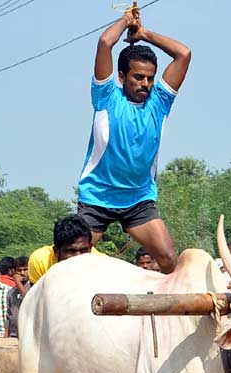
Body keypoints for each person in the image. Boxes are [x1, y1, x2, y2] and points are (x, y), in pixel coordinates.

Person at [75, 7, 191, 274]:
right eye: (138, 77)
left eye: (150, 78)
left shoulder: (159, 103)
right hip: (97, 198)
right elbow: (105, 42)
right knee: (72, 264)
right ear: (122, 77)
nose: (146, 84)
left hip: (138, 200)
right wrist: (127, 20)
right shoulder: (106, 97)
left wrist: (145, 34)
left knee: (170, 261)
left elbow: (183, 54)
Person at [28, 215, 104, 284]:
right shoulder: (40, 261)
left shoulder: (102, 264)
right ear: (56, 251)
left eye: (83, 250)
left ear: (90, 247)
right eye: (71, 251)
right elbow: (36, 297)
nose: (78, 257)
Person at [6, 256, 30, 338]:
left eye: (25, 270)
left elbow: (28, 301)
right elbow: (8, 316)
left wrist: (18, 283)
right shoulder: (11, 292)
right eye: (19, 270)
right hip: (14, 333)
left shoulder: (33, 287)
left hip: (28, 333)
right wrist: (6, 336)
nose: (22, 273)